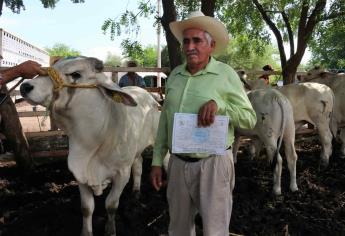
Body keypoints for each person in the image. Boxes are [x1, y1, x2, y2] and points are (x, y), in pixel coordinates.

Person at [150, 11, 257, 236]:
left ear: (211, 45)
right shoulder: (175, 77)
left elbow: (250, 118)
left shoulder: (225, 74)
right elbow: (165, 122)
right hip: (177, 164)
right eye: (186, 41)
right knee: (178, 228)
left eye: (197, 40)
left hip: (214, 165)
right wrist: (157, 161)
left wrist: (221, 106)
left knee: (214, 230)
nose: (190, 46)